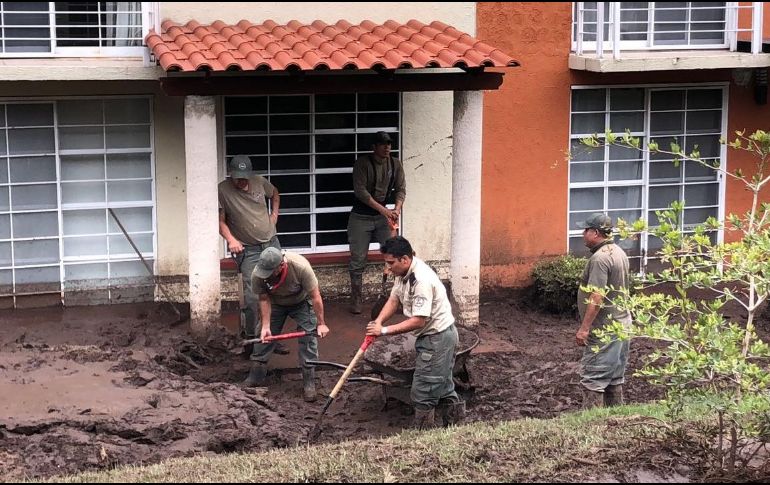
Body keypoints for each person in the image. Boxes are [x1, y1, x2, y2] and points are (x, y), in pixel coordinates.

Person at [366, 236, 464, 429]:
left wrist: (384, 330)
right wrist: (378, 321)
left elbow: (419, 320)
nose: (387, 268)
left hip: (438, 339)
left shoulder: (421, 281)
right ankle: (457, 427)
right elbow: (394, 299)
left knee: (423, 391)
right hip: (431, 337)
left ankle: (421, 436)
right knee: (443, 385)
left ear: (404, 259)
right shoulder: (402, 274)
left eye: (390, 263)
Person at [218, 155, 288, 355]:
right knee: (252, 296)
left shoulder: (259, 181)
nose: (242, 181)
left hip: (271, 242)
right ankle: (251, 339)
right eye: (238, 177)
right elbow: (220, 220)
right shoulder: (223, 190)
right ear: (231, 174)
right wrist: (231, 240)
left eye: (245, 176)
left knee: (278, 290)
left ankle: (272, 336)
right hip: (248, 249)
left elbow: (275, 193)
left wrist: (274, 216)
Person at [244, 247, 330, 402]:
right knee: (264, 337)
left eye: (270, 272)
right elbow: (263, 299)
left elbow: (315, 296)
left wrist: (321, 323)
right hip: (275, 303)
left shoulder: (300, 266)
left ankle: (309, 381)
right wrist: (265, 326)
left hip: (301, 302)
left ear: (281, 266)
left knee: (309, 337)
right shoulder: (258, 274)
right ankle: (256, 375)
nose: (267, 276)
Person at [575, 213, 632, 409]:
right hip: (622, 324)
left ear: (596, 232)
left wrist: (584, 328)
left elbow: (596, 296)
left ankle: (592, 422)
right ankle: (616, 419)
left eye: (586, 230)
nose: (583, 234)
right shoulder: (618, 252)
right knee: (614, 376)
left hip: (605, 329)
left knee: (593, 377)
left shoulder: (600, 259)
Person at [348, 131, 406, 314]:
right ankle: (356, 298)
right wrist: (384, 210)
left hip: (383, 217)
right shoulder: (362, 164)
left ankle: (395, 296)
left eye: (389, 143)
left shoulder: (395, 164)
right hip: (360, 216)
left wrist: (396, 209)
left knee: (395, 255)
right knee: (358, 260)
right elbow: (361, 193)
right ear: (374, 147)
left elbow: (401, 190)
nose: (387, 146)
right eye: (383, 144)